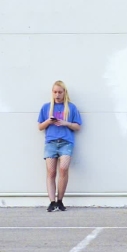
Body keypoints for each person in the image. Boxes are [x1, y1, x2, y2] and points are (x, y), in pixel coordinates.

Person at [37, 80, 82, 212]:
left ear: (64, 93)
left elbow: (78, 126)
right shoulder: (46, 107)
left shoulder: (71, 108)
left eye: (60, 92)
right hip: (51, 143)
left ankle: (60, 200)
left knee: (63, 169)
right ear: (52, 93)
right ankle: (52, 202)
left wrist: (65, 123)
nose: (57, 95)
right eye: (55, 92)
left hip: (66, 142)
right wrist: (48, 121)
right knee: (51, 172)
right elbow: (40, 127)